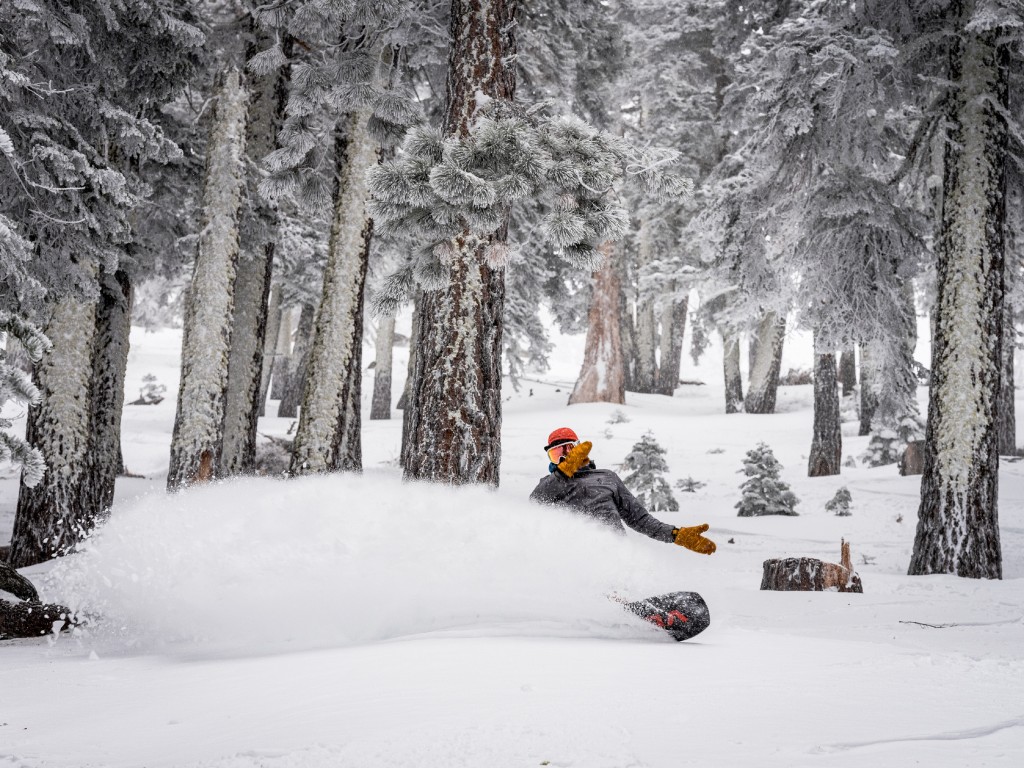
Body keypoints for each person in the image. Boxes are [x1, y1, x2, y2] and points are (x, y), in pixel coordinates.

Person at [529, 427, 717, 555]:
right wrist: (561, 475)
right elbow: (535, 504)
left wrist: (677, 535)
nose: (563, 457)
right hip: (576, 557)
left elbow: (640, 519)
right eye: (555, 454)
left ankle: (631, 603)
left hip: (615, 555)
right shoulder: (550, 484)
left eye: (568, 449)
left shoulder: (607, 477)